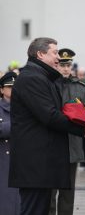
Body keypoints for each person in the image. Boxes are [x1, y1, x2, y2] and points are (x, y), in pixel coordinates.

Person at [8, 37, 85, 215]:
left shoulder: (42, 77)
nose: (58, 57)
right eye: (55, 52)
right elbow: (49, 116)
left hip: (41, 163)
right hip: (35, 164)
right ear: (40, 54)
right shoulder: (32, 78)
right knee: (34, 210)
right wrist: (81, 130)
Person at [49, 48, 85, 215]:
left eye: (68, 65)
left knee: (68, 192)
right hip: (52, 144)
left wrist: (77, 115)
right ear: (56, 65)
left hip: (72, 144)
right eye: (62, 64)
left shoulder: (80, 87)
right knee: (50, 192)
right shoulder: (49, 84)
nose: (66, 68)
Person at [0, 72, 20, 215]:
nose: (13, 90)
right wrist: (18, 125)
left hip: (21, 159)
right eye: (9, 87)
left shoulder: (24, 107)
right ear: (1, 89)